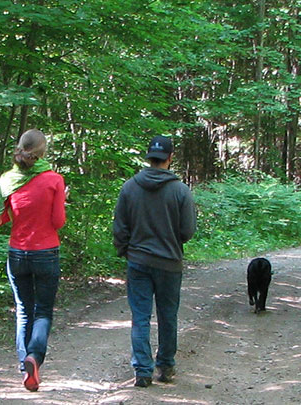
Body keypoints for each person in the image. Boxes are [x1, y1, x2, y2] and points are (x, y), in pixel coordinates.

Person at [110, 135, 196, 388]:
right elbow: (187, 231)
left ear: (148, 157)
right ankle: (166, 366)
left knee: (140, 317)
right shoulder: (180, 190)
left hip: (138, 261)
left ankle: (143, 371)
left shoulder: (129, 187)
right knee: (168, 316)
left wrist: (125, 250)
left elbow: (120, 228)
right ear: (170, 158)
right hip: (170, 263)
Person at [0, 129, 66, 392]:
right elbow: (58, 222)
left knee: (24, 309)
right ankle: (35, 357)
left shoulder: (7, 180)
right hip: (46, 252)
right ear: (43, 151)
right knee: (43, 311)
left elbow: (0, 218)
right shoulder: (54, 180)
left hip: (17, 253)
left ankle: (25, 367)